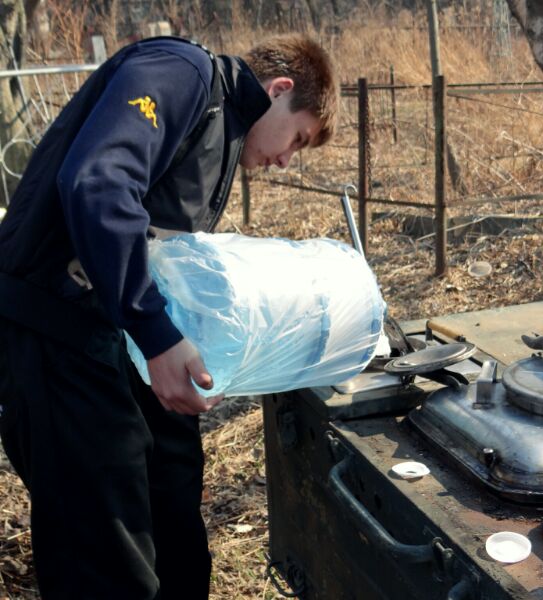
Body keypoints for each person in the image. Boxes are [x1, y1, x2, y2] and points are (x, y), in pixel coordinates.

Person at [0, 33, 338, 598]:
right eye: (297, 139)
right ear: (279, 90)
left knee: (173, 508)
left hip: (113, 339)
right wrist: (157, 336)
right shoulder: (181, 72)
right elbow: (99, 183)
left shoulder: (221, 136)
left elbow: (168, 255)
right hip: (54, 332)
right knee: (104, 549)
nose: (284, 160)